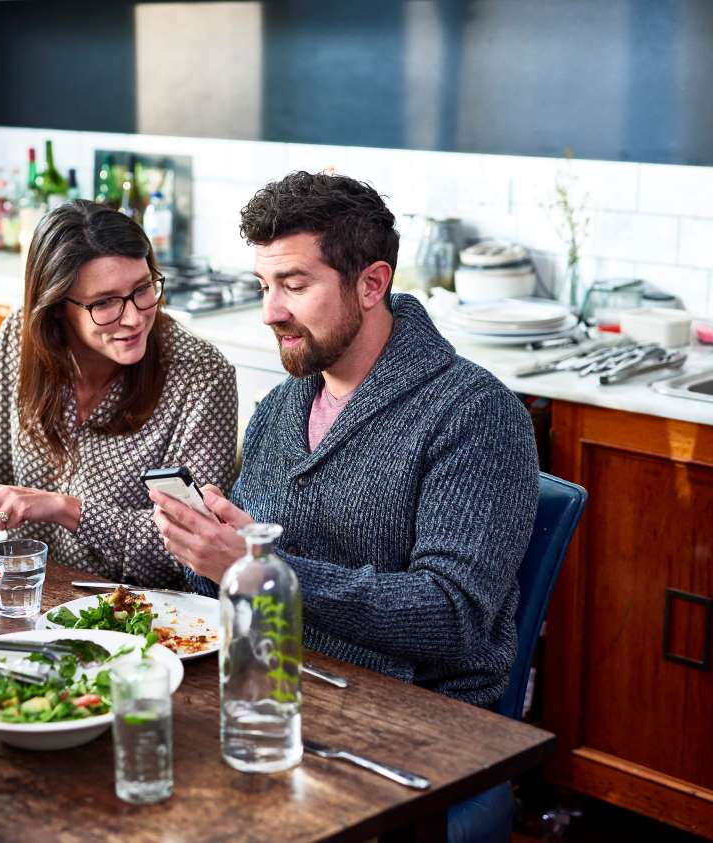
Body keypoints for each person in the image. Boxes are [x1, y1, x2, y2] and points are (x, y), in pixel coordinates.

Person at [150, 172, 538, 837]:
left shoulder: (475, 414)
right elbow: (239, 586)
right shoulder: (280, 407)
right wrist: (206, 548)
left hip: (409, 728)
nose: (271, 311)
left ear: (371, 283)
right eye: (264, 286)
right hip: (277, 696)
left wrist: (260, 569)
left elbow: (453, 616)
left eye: (295, 285)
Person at [0, 200, 238, 589]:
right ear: (55, 308)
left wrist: (65, 510)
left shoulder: (202, 375)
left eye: (142, 289)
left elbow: (194, 546)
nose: (134, 317)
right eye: (104, 302)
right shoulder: (22, 335)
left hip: (139, 617)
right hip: (11, 589)